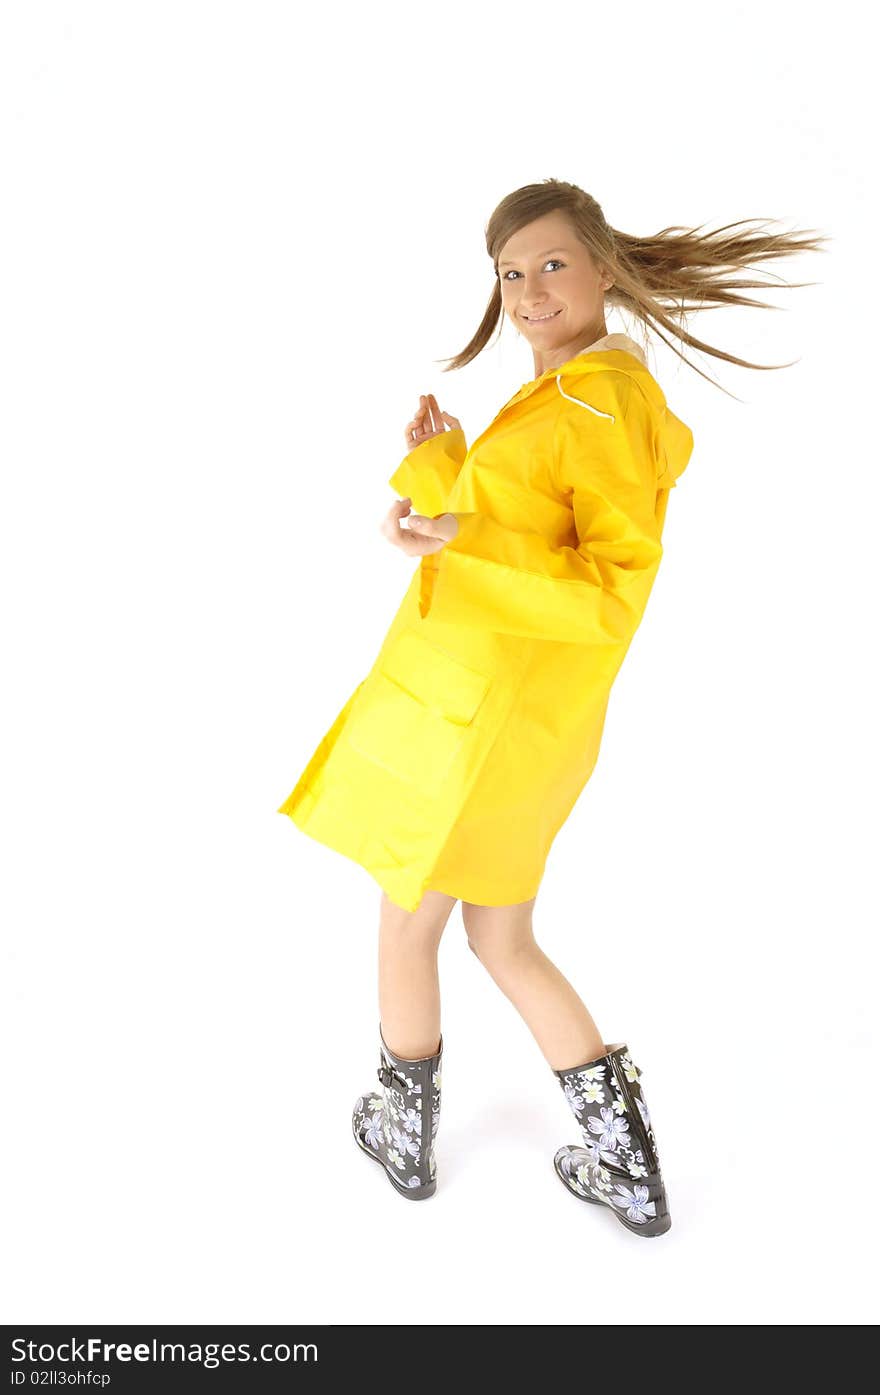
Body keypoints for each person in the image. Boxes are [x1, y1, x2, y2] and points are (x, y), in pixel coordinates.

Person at [277, 180, 827, 1235]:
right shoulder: (572, 389)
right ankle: (624, 1161)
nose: (527, 290)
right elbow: (519, 529)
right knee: (499, 936)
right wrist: (443, 475)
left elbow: (611, 585)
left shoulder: (594, 400)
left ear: (605, 267)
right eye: (508, 272)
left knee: (407, 928)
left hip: (486, 720)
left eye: (550, 264)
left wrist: (459, 547)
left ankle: (403, 1131)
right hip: (517, 719)